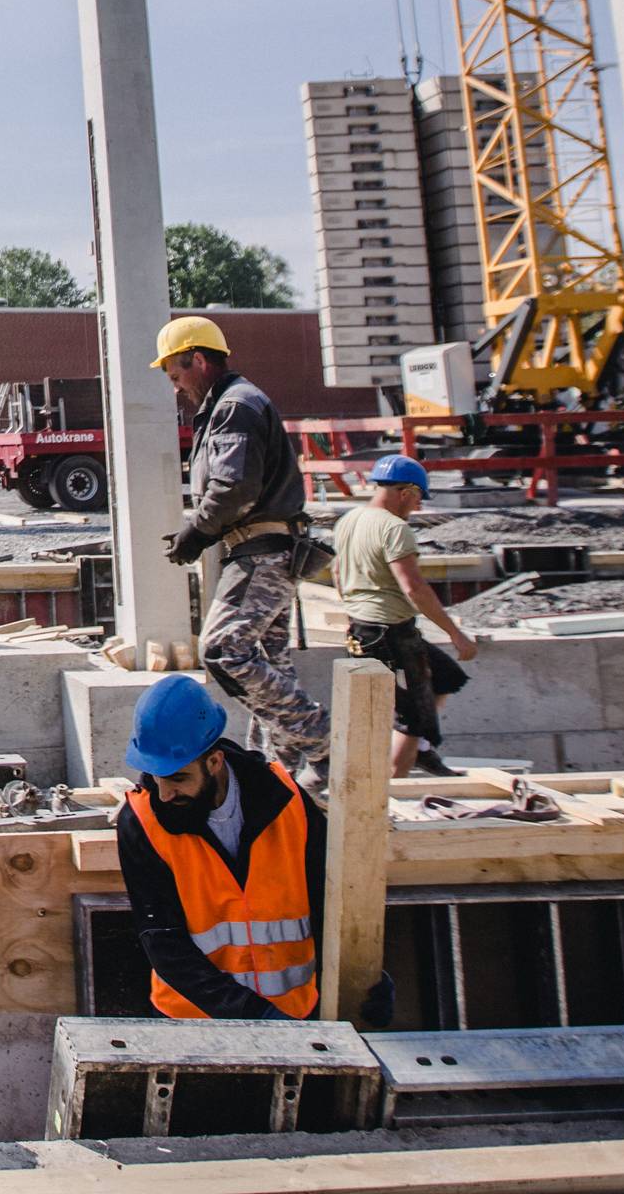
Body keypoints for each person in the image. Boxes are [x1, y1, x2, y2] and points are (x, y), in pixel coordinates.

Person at [156, 315, 331, 787]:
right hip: (265, 549)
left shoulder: (235, 406)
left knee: (224, 650)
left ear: (198, 359)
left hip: (261, 551)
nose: (176, 388)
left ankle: (322, 738)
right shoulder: (229, 405)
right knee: (271, 666)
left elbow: (234, 487)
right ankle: (278, 773)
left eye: (176, 375)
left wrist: (197, 531)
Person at [114, 674, 330, 1020]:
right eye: (156, 776)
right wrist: (253, 1015)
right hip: (193, 1027)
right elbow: (164, 943)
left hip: (294, 1015)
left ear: (214, 762)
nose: (165, 793)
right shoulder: (141, 822)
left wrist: (367, 977)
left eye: (178, 778)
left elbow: (328, 902)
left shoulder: (285, 801)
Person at [331, 455, 477, 777]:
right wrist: (455, 633)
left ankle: (423, 750)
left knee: (447, 675)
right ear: (407, 491)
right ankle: (391, 798)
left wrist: (355, 611)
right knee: (412, 718)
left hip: (365, 631)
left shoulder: (350, 520)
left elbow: (339, 574)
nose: (417, 507)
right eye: (417, 499)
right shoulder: (394, 528)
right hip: (391, 634)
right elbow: (414, 588)